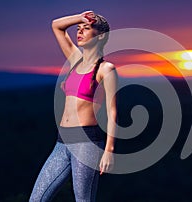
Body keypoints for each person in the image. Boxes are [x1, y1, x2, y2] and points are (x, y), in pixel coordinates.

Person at [29, 10, 117, 202]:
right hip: (61, 142)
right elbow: (56, 25)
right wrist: (80, 17)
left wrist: (109, 150)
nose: (79, 32)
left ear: (100, 36)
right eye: (78, 29)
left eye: (86, 29)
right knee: (37, 199)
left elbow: (112, 111)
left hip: (87, 142)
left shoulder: (105, 69)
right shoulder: (75, 60)